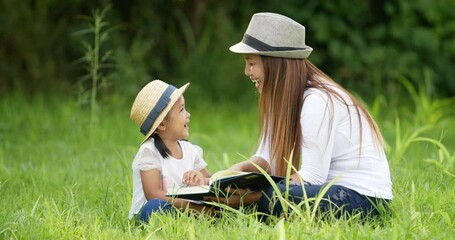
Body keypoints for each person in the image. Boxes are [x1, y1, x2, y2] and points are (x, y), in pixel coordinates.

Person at [224, 12, 393, 218]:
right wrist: (235, 173)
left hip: (363, 198)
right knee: (265, 195)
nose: (246, 72)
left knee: (271, 198)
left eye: (251, 64)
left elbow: (313, 176)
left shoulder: (317, 101)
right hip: (328, 190)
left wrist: (253, 196)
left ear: (275, 65)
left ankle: (242, 205)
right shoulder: (280, 99)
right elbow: (266, 159)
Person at [128, 80, 213, 222]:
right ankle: (197, 216)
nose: (188, 114)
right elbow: (153, 194)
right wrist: (190, 206)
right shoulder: (149, 152)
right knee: (154, 207)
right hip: (158, 210)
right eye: (181, 110)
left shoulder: (191, 151)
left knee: (220, 201)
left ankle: (197, 217)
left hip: (185, 209)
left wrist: (201, 180)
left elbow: (213, 184)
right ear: (162, 124)